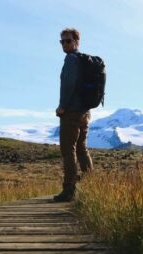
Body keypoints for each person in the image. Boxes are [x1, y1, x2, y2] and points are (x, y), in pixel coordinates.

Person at [53, 28, 94, 202]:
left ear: (77, 42)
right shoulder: (84, 61)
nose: (64, 44)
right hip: (85, 112)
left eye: (68, 41)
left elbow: (69, 85)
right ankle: (92, 186)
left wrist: (62, 106)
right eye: (62, 41)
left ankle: (69, 189)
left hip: (71, 112)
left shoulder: (71, 60)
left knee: (68, 150)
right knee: (81, 149)